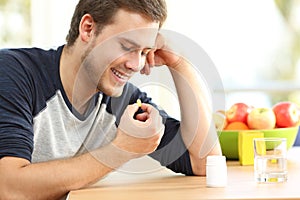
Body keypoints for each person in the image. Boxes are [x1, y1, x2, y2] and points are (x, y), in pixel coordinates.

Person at [0, 0, 222, 199]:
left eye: (145, 52)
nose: (136, 65)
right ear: (88, 28)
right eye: (127, 47)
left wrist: (180, 64)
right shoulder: (13, 73)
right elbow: (9, 187)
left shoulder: (122, 100)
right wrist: (121, 150)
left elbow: (205, 163)